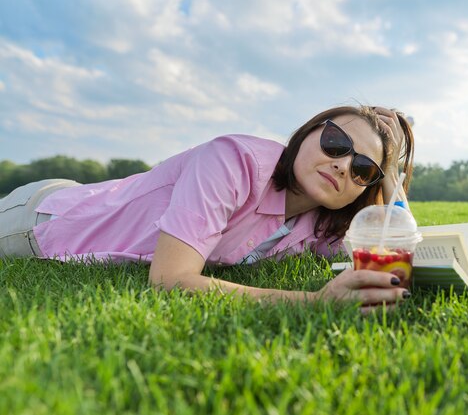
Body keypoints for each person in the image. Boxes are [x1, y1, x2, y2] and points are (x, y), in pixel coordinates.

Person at [0, 105, 414, 312]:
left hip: (91, 199)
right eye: (336, 144)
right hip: (43, 221)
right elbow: (170, 280)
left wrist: (391, 176)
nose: (343, 164)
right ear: (307, 134)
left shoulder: (322, 223)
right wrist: (313, 300)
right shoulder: (233, 161)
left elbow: (392, 239)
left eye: (362, 168)